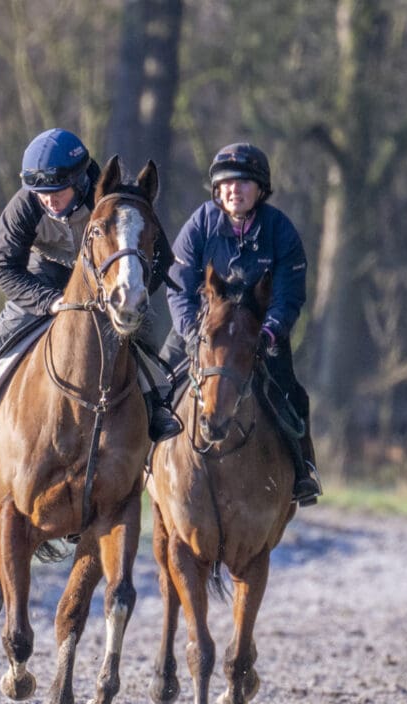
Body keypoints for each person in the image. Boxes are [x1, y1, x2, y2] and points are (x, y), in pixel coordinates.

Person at [0, 128, 181, 443]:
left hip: (106, 281)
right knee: (11, 321)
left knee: (141, 328)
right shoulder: (24, 206)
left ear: (80, 180)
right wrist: (47, 301)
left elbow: (160, 258)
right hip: (45, 277)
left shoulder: (113, 198)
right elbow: (3, 267)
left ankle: (157, 403)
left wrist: (128, 295)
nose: (50, 201)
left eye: (58, 191)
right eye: (43, 194)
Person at [161, 142, 321, 505]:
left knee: (291, 394)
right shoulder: (200, 224)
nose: (235, 190)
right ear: (217, 190)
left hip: (257, 334)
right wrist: (189, 333)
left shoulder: (280, 230)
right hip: (201, 330)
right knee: (155, 386)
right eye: (227, 183)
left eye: (244, 183)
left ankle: (302, 471)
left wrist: (270, 332)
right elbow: (178, 286)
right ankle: (137, 464)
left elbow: (289, 295)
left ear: (260, 190)